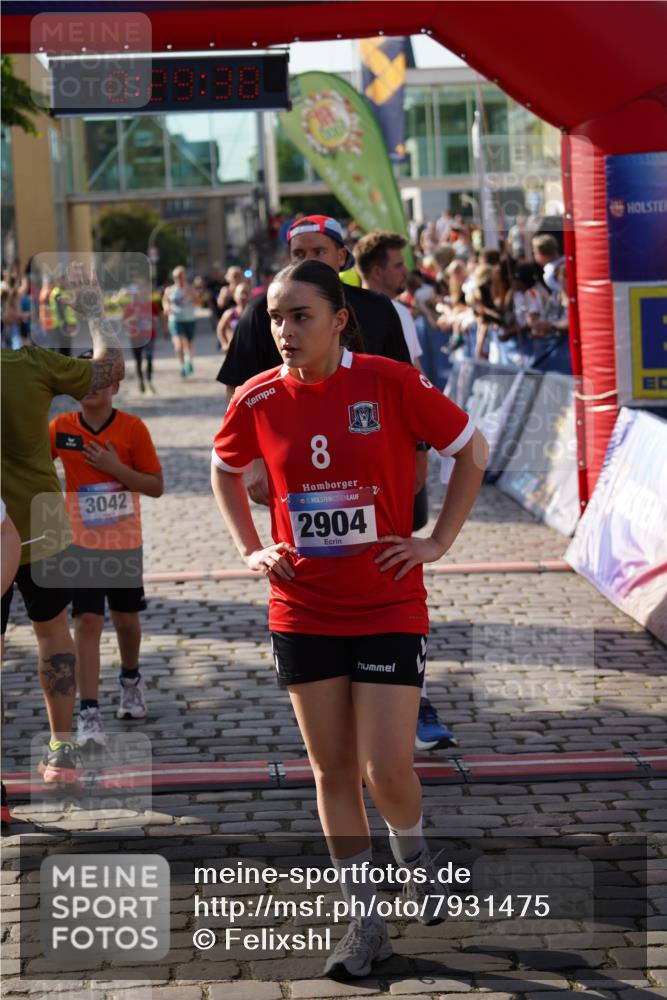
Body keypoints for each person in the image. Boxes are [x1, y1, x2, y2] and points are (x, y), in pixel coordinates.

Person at [211, 260, 487, 978]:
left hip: (388, 600)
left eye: (299, 316)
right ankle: (364, 923)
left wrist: (435, 541)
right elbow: (223, 467)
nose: (283, 330)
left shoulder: (388, 382)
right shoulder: (256, 398)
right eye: (274, 317)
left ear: (338, 319)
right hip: (301, 608)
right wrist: (251, 546)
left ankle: (417, 854)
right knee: (332, 769)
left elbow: (470, 450)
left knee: (386, 769)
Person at [1, 264, 125, 782]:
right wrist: (95, 311)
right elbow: (107, 372)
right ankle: (62, 750)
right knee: (52, 631)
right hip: (40, 518)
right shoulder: (28, 364)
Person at [216, 214, 409, 505]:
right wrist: (253, 458)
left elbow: (404, 388)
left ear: (341, 256)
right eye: (299, 254)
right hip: (292, 463)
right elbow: (238, 389)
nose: (309, 260)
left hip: (368, 456)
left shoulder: (377, 307)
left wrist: (416, 452)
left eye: (319, 252)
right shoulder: (260, 312)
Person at [354, 231, 458, 752]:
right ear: (372, 269)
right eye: (396, 265)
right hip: (325, 486)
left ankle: (413, 702)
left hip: (390, 474)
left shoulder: (397, 314)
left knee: (394, 576)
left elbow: (416, 387)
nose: (403, 273)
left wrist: (419, 452)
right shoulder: (287, 310)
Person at [49, 362, 163, 749]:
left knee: (126, 621)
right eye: (82, 379)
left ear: (116, 385)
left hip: (123, 542)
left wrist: (116, 468)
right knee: (86, 622)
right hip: (79, 542)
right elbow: (35, 466)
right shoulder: (61, 427)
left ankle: (130, 679)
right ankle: (89, 710)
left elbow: (156, 486)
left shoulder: (132, 429)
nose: (91, 387)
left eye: (100, 380)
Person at [123, 277, 158, 393]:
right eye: (141, 290)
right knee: (138, 361)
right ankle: (141, 381)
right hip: (135, 337)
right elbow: (124, 322)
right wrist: (134, 317)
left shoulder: (152, 305)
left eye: (146, 290)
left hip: (149, 336)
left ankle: (149, 380)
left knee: (149, 358)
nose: (144, 293)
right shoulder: (131, 306)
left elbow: (158, 316)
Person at [162, 265, 197, 377]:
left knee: (189, 345)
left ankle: (189, 361)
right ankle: (182, 365)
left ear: (185, 276)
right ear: (174, 277)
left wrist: (194, 297)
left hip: (189, 319)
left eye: (181, 276)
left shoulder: (190, 288)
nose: (179, 279)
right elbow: (165, 301)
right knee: (178, 343)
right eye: (177, 276)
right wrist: (167, 307)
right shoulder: (170, 290)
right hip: (176, 320)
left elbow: (199, 303)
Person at [216, 282, 250, 353]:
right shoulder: (229, 314)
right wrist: (224, 343)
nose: (243, 296)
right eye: (241, 293)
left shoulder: (254, 313)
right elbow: (220, 329)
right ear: (235, 296)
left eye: (246, 293)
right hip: (234, 350)